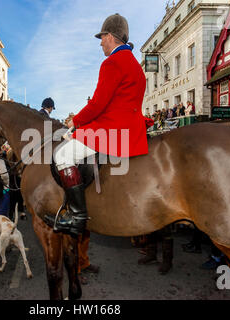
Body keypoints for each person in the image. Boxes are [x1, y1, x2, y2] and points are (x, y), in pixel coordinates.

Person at [45, 14, 148, 236]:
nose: (100, 42)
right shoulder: (135, 64)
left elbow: (99, 104)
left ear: (110, 36)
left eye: (102, 37)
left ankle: (77, 216)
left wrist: (75, 122)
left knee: (62, 156)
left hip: (113, 130)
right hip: (131, 128)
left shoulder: (112, 62)